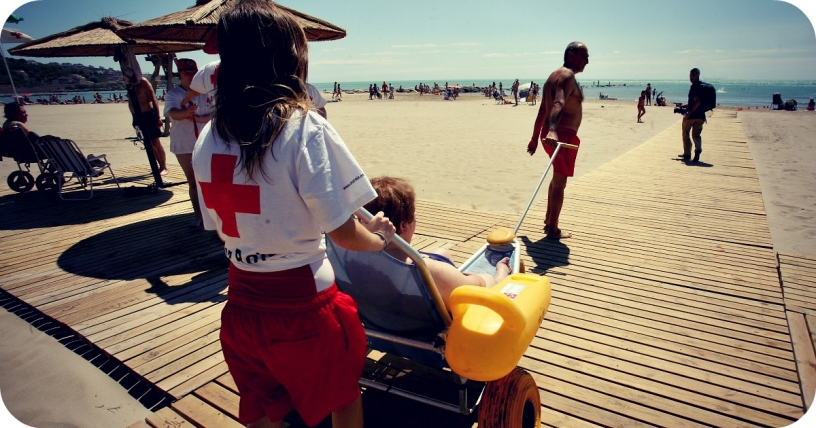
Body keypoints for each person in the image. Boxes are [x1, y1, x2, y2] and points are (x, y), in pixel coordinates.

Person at [190, 2, 396, 427]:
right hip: (304, 304)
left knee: (263, 404)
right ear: (290, 60)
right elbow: (342, 231)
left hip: (241, 302)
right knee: (342, 397)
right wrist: (376, 237)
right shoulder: (302, 127)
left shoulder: (210, 135)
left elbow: (222, 223)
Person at [364, 177, 511, 309]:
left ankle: (454, 274)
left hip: (381, 324)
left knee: (441, 253)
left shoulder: (354, 259)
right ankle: (500, 274)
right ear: (404, 226)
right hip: (424, 334)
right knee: (486, 280)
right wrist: (487, 277)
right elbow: (478, 289)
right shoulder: (424, 270)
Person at [526, 41, 590, 240]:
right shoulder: (567, 75)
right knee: (560, 181)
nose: (587, 61)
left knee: (556, 178)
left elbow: (542, 109)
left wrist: (535, 137)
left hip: (552, 133)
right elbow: (557, 102)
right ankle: (553, 229)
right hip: (561, 135)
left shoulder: (552, 77)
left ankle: (548, 220)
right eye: (583, 56)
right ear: (571, 55)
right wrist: (553, 130)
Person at [164, 58, 213, 229]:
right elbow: (172, 113)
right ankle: (199, 216)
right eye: (186, 72)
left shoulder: (207, 92)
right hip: (184, 144)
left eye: (194, 72)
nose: (191, 76)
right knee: (193, 181)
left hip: (208, 143)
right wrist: (185, 112)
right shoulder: (173, 94)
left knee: (211, 180)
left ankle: (214, 215)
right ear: (180, 75)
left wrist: (202, 118)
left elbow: (219, 112)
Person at [126, 75, 169, 175]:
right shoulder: (129, 82)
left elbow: (153, 99)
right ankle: (156, 166)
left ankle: (163, 167)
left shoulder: (142, 81)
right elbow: (131, 101)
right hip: (137, 116)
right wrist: (133, 118)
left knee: (155, 142)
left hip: (148, 114)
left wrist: (158, 117)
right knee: (148, 143)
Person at [680, 68, 706, 163]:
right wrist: (685, 105)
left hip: (692, 116)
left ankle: (687, 154)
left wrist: (689, 112)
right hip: (701, 116)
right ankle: (698, 149)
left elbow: (697, 101)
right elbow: (697, 102)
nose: (691, 77)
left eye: (693, 75)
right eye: (690, 75)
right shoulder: (702, 86)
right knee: (696, 134)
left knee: (685, 133)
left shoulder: (694, 87)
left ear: (697, 75)